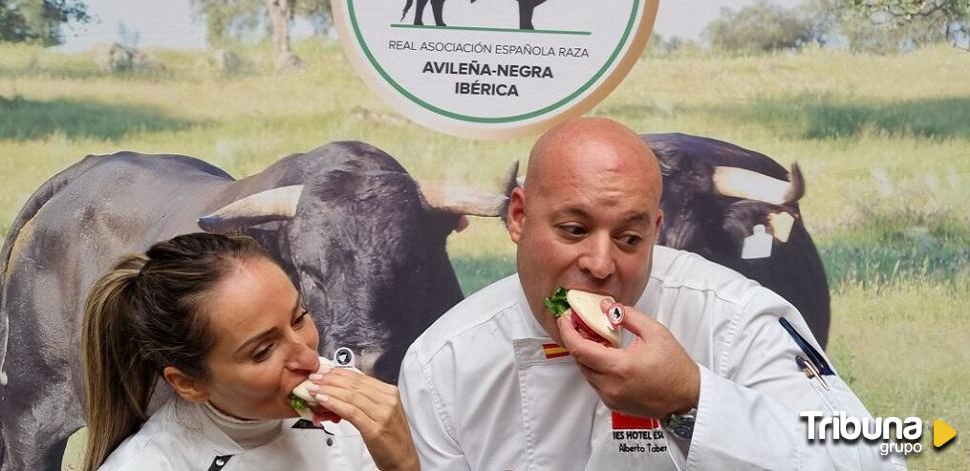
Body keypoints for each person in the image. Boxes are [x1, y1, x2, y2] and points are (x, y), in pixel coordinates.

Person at [397, 117, 903, 470]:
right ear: (519, 217)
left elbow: (873, 461)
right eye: (573, 230)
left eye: (630, 238)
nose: (600, 265)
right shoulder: (443, 364)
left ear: (657, 229)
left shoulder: (735, 317)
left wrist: (691, 399)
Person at [82, 232, 419, 471]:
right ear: (189, 383)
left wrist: (403, 463)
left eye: (299, 318)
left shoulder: (353, 416)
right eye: (262, 351)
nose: (310, 359)